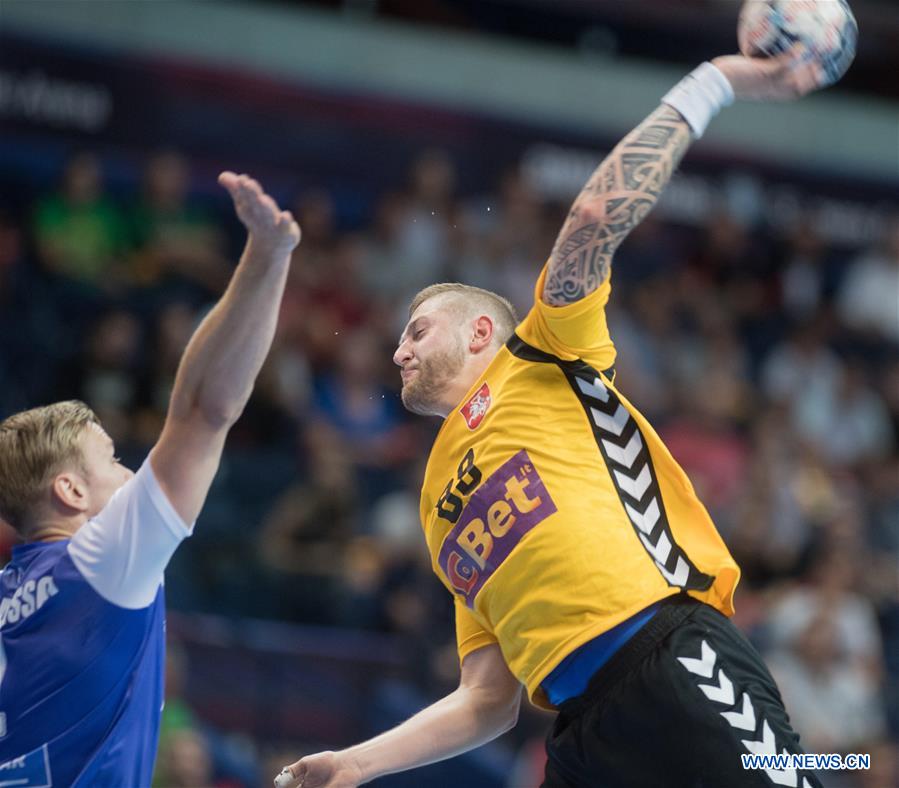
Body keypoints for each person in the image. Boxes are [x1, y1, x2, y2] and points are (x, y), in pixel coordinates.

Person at [277, 40, 843, 788]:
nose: (397, 355)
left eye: (416, 331)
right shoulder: (433, 503)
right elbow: (484, 699)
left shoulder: (542, 354)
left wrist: (716, 81)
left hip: (671, 658)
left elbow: (594, 216)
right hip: (581, 737)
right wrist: (356, 762)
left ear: (481, 331)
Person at [0, 172, 300, 786]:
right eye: (111, 460)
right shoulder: (98, 562)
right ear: (71, 492)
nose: (131, 470)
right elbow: (202, 409)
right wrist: (267, 258)